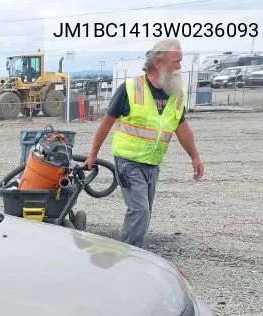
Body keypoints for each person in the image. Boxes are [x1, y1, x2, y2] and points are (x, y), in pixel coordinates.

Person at [84, 39, 204, 248]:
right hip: (128, 162)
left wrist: (195, 157)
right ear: (158, 63)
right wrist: (93, 155)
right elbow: (106, 124)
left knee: (144, 212)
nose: (179, 66)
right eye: (176, 61)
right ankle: (130, 258)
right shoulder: (130, 89)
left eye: (180, 61)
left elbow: (181, 127)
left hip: (152, 164)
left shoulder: (176, 94)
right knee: (140, 211)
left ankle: (131, 252)